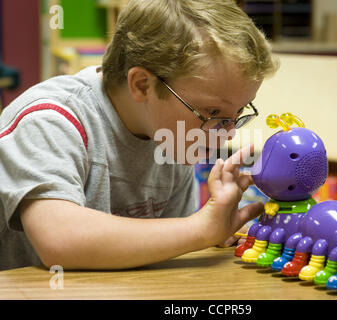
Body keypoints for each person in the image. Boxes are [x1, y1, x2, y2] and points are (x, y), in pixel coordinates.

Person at [0, 0, 278, 270]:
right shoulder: (50, 120)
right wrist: (201, 229)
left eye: (238, 113)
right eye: (212, 111)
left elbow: (166, 253)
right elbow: (59, 240)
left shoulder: (172, 139)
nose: (227, 134)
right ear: (142, 84)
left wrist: (211, 233)